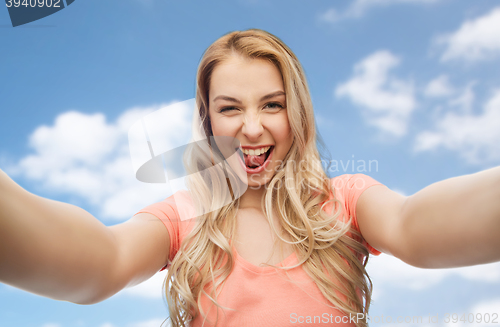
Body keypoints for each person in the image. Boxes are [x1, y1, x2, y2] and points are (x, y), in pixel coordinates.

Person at [0, 29, 499, 327]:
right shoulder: (183, 218)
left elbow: (416, 226)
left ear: (297, 113)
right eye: (230, 108)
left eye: (272, 105)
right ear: (208, 121)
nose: (253, 127)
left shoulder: (344, 203)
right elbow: (99, 263)